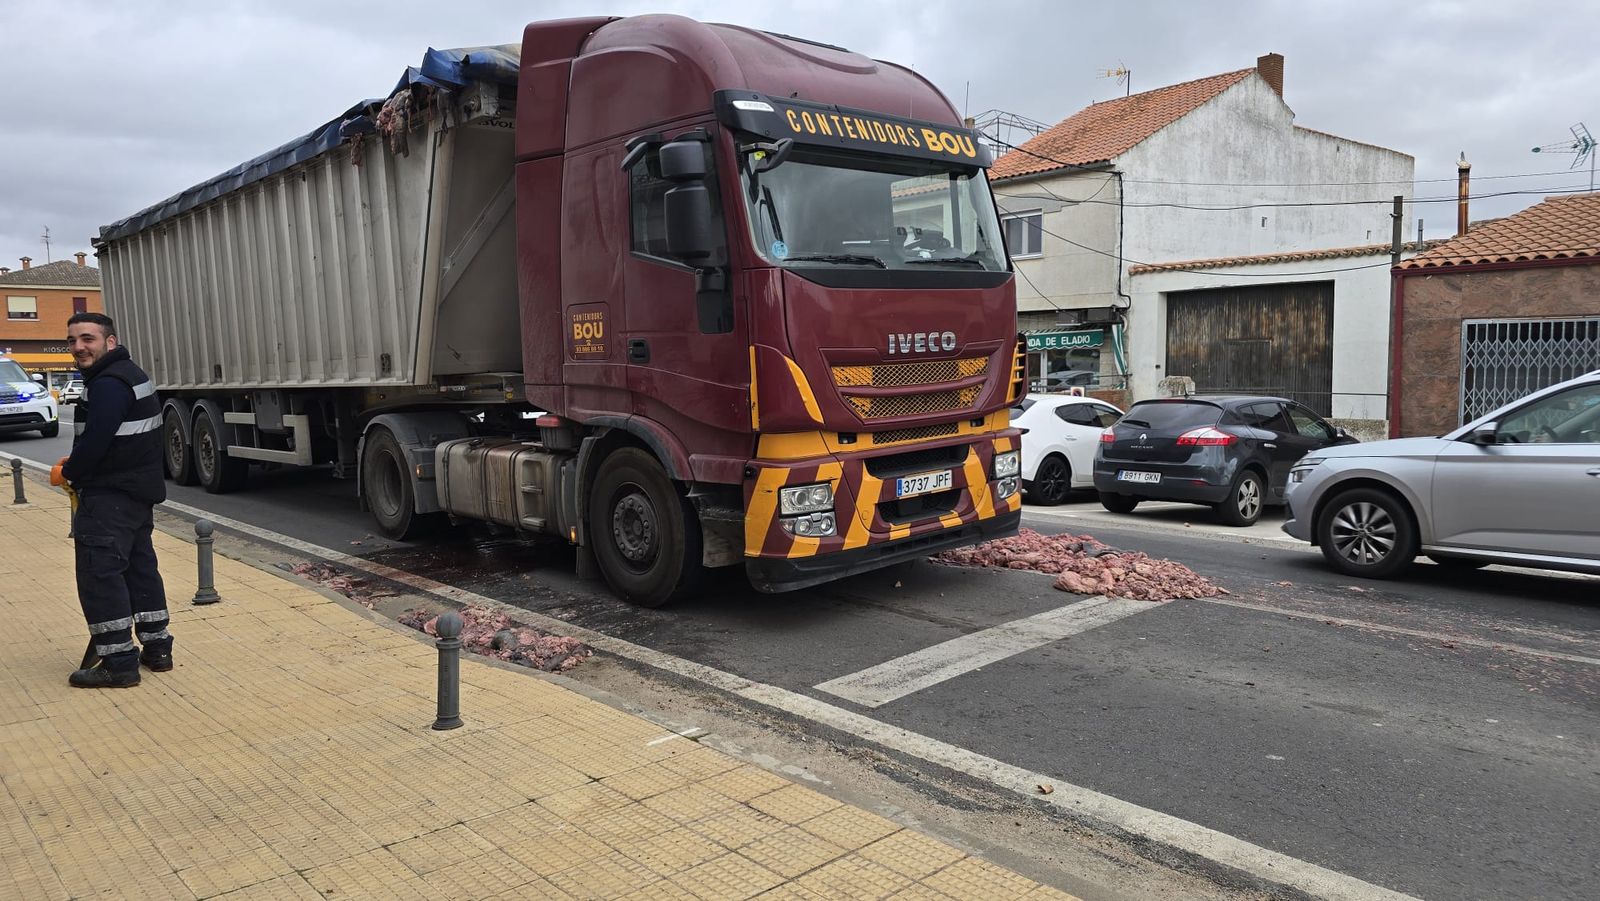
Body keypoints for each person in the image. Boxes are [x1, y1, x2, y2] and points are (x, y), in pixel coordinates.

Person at [49, 312, 172, 688]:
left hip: (108, 497)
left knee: (100, 575)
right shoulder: (132, 375)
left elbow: (96, 442)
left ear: (110, 342)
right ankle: (157, 649)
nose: (78, 347)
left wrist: (69, 473)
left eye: (87, 339)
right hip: (136, 494)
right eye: (72, 340)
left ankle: (117, 662)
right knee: (139, 569)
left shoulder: (107, 384)